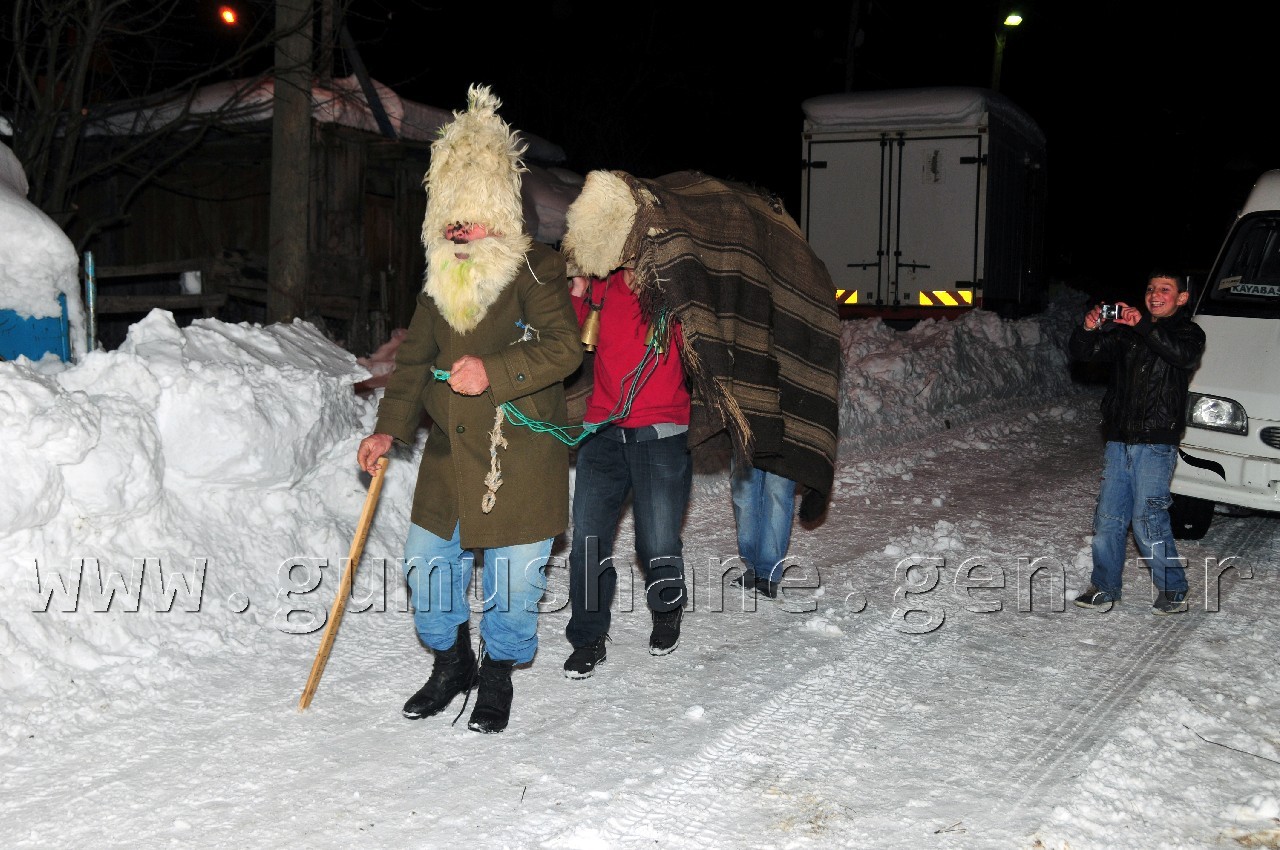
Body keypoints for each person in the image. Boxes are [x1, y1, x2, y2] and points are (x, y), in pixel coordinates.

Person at [356, 85, 582, 733]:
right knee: (426, 569)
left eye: (471, 214)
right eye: (450, 214)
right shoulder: (440, 282)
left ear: (498, 213)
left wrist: (497, 370)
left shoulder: (534, 270)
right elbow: (410, 365)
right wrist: (386, 432)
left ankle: (497, 674)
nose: (459, 227)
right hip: (452, 459)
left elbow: (565, 349)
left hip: (519, 458)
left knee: (513, 585)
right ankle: (451, 665)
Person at [560, 267, 693, 679]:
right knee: (587, 538)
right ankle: (587, 638)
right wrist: (576, 292)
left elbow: (706, 348)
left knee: (656, 539)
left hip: (661, 430)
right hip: (603, 430)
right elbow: (566, 343)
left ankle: (667, 607)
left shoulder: (677, 285)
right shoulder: (600, 286)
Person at [1068, 269, 1205, 615]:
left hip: (1156, 445)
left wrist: (1143, 326)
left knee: (1148, 519)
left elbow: (1182, 356)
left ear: (1182, 298)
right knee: (1108, 519)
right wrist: (1087, 328)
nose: (1154, 295)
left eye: (1164, 289)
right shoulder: (1128, 334)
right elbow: (1086, 352)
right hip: (1119, 441)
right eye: (1150, 289)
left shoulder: (1189, 332)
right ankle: (1105, 586)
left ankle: (1173, 588)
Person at [729, 462, 798, 599]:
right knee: (743, 491)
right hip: (747, 440)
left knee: (777, 491)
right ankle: (753, 565)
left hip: (784, 442)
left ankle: (768, 571)